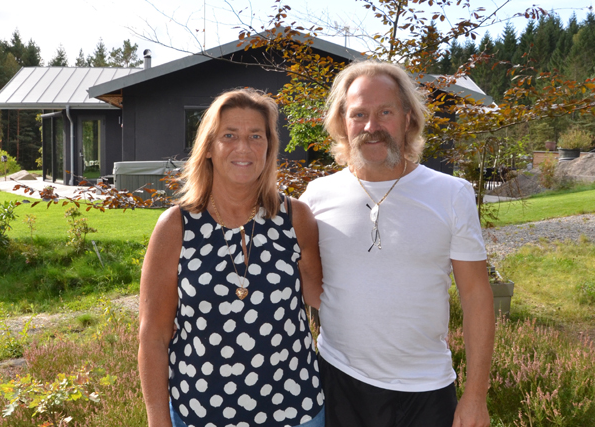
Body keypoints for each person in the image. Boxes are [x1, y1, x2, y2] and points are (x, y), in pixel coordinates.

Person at [299, 60, 495, 427]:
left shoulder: (451, 194)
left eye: (384, 112)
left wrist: (475, 398)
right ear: (343, 122)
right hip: (338, 384)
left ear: (407, 117)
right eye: (359, 114)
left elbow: (476, 297)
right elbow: (308, 285)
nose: (371, 127)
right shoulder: (315, 197)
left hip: (428, 392)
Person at [138, 88, 325, 427]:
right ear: (208, 148)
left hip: (296, 410)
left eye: (256, 135)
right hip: (200, 413)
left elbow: (326, 300)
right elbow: (153, 336)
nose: (244, 147)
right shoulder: (176, 227)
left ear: (269, 147)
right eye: (229, 136)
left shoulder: (295, 218)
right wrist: (158, 420)